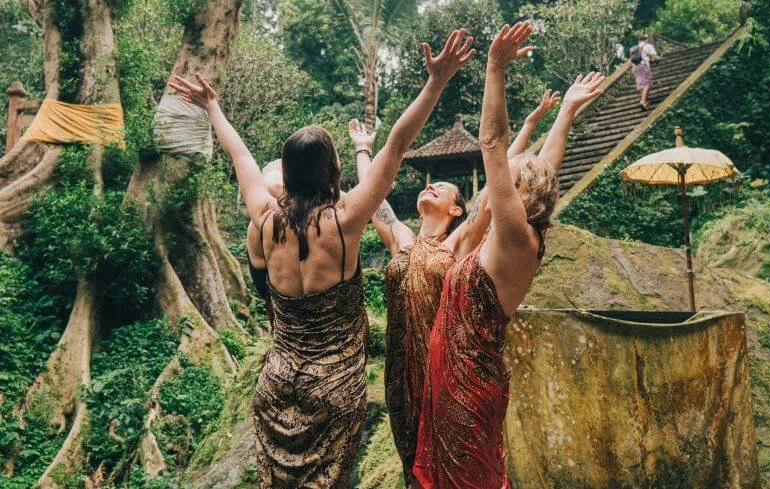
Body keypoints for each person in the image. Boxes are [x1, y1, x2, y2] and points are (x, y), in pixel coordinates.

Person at [168, 27, 476, 488]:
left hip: (276, 383)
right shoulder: (346, 219)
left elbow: (241, 157)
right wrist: (436, 81)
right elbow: (396, 145)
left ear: (288, 173)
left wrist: (213, 107)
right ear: (333, 168)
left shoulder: (265, 218)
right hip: (334, 388)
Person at [413, 22, 605, 489]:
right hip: (452, 377)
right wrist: (566, 112)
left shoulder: (517, 237)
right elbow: (547, 169)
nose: (499, 176)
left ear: (519, 191)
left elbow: (494, 142)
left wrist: (495, 67)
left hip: (467, 386)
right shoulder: (513, 233)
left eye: (509, 174)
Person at [349, 88, 560, 485]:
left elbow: (499, 180)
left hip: (444, 369)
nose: (430, 188)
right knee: (413, 465)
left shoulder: (461, 241)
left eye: (442, 188)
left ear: (457, 208)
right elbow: (373, 199)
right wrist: (363, 149)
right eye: (430, 185)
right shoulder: (401, 240)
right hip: (399, 373)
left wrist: (530, 127)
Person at [631, 34, 659, 110]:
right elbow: (654, 57)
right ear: (647, 39)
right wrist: (654, 60)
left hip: (635, 67)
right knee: (647, 84)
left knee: (641, 84)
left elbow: (630, 61)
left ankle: (645, 101)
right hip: (643, 66)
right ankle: (643, 101)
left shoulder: (635, 48)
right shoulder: (648, 46)